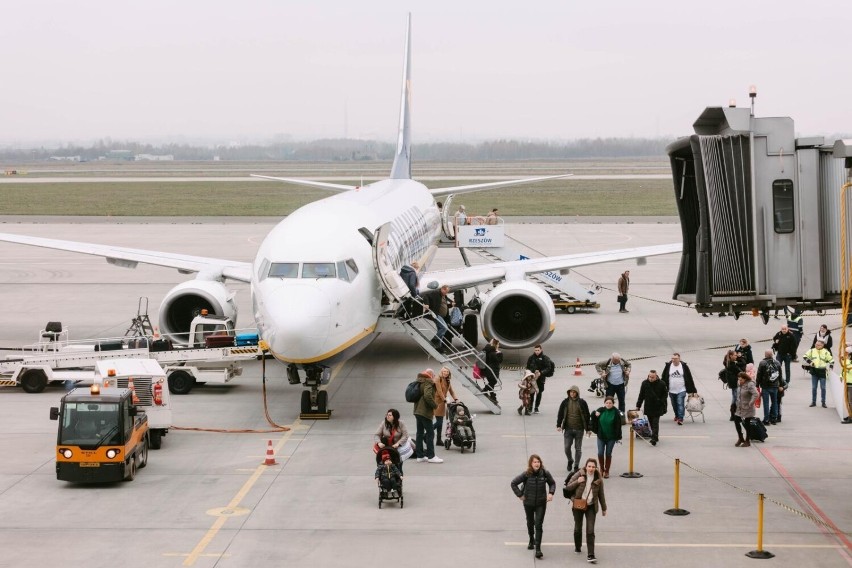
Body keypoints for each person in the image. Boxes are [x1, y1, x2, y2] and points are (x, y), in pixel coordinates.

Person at [510, 454, 556, 559]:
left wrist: (551, 493)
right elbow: (513, 483)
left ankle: (538, 549)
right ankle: (531, 539)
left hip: (541, 503)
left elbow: (552, 483)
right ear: (531, 463)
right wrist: (520, 495)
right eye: (535, 462)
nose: (537, 464)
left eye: (538, 462)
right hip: (528, 503)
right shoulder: (526, 474)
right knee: (530, 523)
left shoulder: (545, 473)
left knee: (538, 525)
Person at [564, 458, 607, 563]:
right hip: (578, 504)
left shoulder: (598, 478)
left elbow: (601, 494)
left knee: (590, 530)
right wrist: (577, 481)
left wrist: (604, 508)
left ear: (596, 468)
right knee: (578, 528)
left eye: (593, 467)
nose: (591, 469)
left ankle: (591, 554)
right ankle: (578, 546)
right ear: (586, 466)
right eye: (589, 466)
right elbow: (568, 487)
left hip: (591, 506)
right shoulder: (579, 474)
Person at [556, 385, 591, 473]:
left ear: (577, 393)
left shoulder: (582, 402)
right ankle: (570, 460)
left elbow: (587, 415)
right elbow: (560, 413)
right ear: (569, 393)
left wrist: (588, 429)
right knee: (567, 448)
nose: (572, 393)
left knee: (578, 448)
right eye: (571, 392)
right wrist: (559, 425)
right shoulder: (565, 402)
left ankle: (576, 465)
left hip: (579, 429)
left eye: (574, 392)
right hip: (568, 429)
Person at [412, 369, 443, 463]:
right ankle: (431, 456)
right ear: (431, 375)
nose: (434, 377)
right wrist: (435, 405)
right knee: (430, 433)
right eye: (433, 375)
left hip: (417, 411)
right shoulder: (428, 382)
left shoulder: (419, 381)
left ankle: (420, 456)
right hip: (425, 412)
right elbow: (428, 396)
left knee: (419, 433)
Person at [660, 353, 697, 426]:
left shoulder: (684, 366)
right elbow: (664, 376)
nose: (673, 360)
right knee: (674, 404)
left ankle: (680, 418)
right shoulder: (668, 366)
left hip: (681, 389)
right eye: (672, 358)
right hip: (671, 389)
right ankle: (677, 415)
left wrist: (693, 390)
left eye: (675, 358)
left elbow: (689, 378)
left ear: (679, 359)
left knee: (680, 403)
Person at [591, 396, 623, 478]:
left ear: (613, 404)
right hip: (601, 436)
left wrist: (618, 437)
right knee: (600, 452)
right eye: (607, 403)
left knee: (608, 453)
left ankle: (607, 471)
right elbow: (592, 417)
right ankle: (601, 469)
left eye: (610, 403)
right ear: (604, 403)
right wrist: (595, 413)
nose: (608, 404)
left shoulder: (616, 412)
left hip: (611, 437)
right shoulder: (601, 410)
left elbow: (619, 425)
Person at [635, 370, 668, 446]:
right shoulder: (645, 383)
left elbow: (665, 394)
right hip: (648, 406)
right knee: (650, 422)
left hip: (657, 407)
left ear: (656, 376)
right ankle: (655, 436)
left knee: (655, 422)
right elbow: (641, 395)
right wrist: (638, 405)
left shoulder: (662, 383)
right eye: (650, 377)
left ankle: (654, 438)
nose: (651, 378)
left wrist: (661, 402)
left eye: (653, 377)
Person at [803, 339, 834, 408]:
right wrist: (810, 362)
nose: (816, 346)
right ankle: (813, 402)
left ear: (822, 345)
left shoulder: (826, 352)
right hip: (814, 371)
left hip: (822, 371)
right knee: (814, 388)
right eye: (816, 344)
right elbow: (805, 356)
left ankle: (823, 402)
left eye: (818, 345)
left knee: (823, 388)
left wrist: (831, 367)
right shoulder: (812, 350)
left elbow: (831, 360)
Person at [525, 344, 555, 413]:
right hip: (532, 379)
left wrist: (541, 373)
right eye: (535, 350)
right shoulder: (531, 358)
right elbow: (527, 367)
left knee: (539, 393)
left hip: (541, 378)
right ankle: (530, 407)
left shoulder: (545, 358)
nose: (537, 351)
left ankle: (536, 407)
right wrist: (531, 373)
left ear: (541, 350)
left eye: (538, 350)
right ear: (534, 350)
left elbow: (548, 367)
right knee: (531, 393)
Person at [421, 284, 451, 352]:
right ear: (442, 289)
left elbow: (443, 305)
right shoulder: (436, 293)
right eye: (446, 291)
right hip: (436, 314)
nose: (446, 293)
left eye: (447, 292)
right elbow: (426, 296)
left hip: (441, 316)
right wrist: (426, 304)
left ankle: (438, 347)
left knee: (441, 330)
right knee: (444, 328)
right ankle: (434, 340)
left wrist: (451, 305)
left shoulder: (444, 296)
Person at [433, 367, 458, 446]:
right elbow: (439, 391)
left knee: (440, 422)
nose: (446, 373)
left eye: (447, 371)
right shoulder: (437, 378)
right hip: (437, 401)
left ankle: (438, 440)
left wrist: (456, 399)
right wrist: (445, 400)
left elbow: (451, 391)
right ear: (441, 371)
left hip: (443, 402)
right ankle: (426, 434)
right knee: (439, 421)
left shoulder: (447, 380)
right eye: (444, 371)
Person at [756, 349, 781, 426]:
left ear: (765, 355)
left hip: (765, 386)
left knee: (766, 403)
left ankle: (766, 419)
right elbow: (780, 375)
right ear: (772, 355)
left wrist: (757, 384)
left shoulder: (762, 363)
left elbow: (759, 374)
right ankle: (774, 418)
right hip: (775, 386)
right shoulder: (777, 363)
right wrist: (780, 385)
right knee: (775, 403)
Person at [734, 371, 759, 447]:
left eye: (741, 380)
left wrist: (750, 403)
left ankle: (747, 440)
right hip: (740, 407)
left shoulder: (750, 384)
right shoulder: (739, 384)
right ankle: (740, 438)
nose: (739, 381)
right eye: (739, 379)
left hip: (748, 407)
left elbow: (756, 394)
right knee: (736, 420)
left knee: (747, 424)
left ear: (745, 379)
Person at [481, 338, 502, 403]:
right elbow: (499, 361)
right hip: (492, 370)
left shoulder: (488, 350)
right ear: (496, 345)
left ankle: (493, 398)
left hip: (488, 370)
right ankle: (485, 390)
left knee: (492, 384)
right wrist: (500, 354)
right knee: (493, 382)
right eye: (498, 344)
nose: (498, 346)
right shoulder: (493, 353)